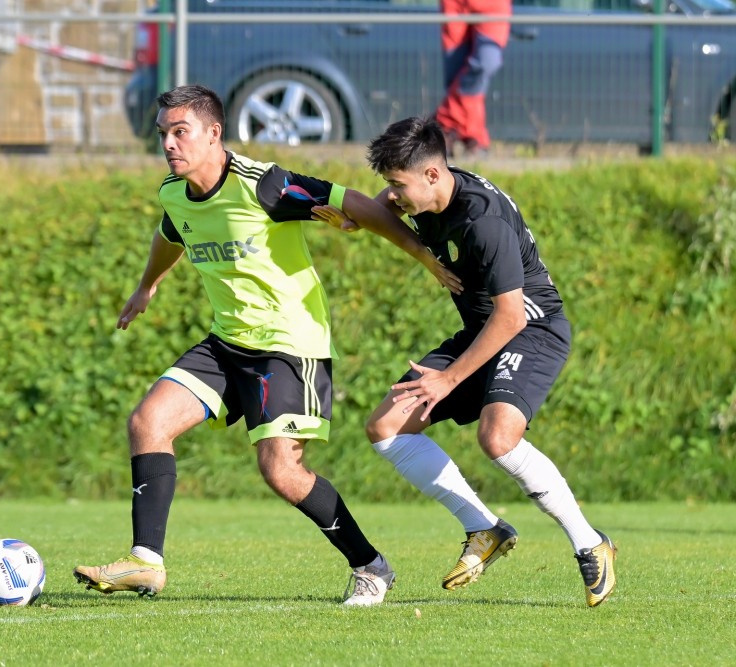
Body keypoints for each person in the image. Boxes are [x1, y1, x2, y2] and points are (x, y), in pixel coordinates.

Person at [73, 85, 461, 607]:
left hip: (288, 344)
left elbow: (353, 203)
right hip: (227, 341)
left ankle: (371, 566)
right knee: (148, 422)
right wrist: (147, 286)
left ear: (214, 133)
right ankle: (146, 562)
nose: (168, 143)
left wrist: (424, 256)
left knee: (280, 470)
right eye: (163, 133)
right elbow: (172, 233)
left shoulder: (263, 184)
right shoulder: (173, 191)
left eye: (180, 132)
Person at [354, 116, 616, 607]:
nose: (393, 194)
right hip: (483, 330)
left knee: (497, 437)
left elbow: (512, 316)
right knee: (386, 426)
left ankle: (590, 543)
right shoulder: (429, 193)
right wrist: (413, 248)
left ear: (432, 174)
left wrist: (448, 380)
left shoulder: (483, 222)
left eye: (398, 183)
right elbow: (381, 206)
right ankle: (484, 528)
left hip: (530, 329)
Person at [435, 0, 511, 157]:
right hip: (454, 4)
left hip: (492, 4)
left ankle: (444, 123)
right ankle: (473, 139)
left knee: (486, 62)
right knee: (456, 74)